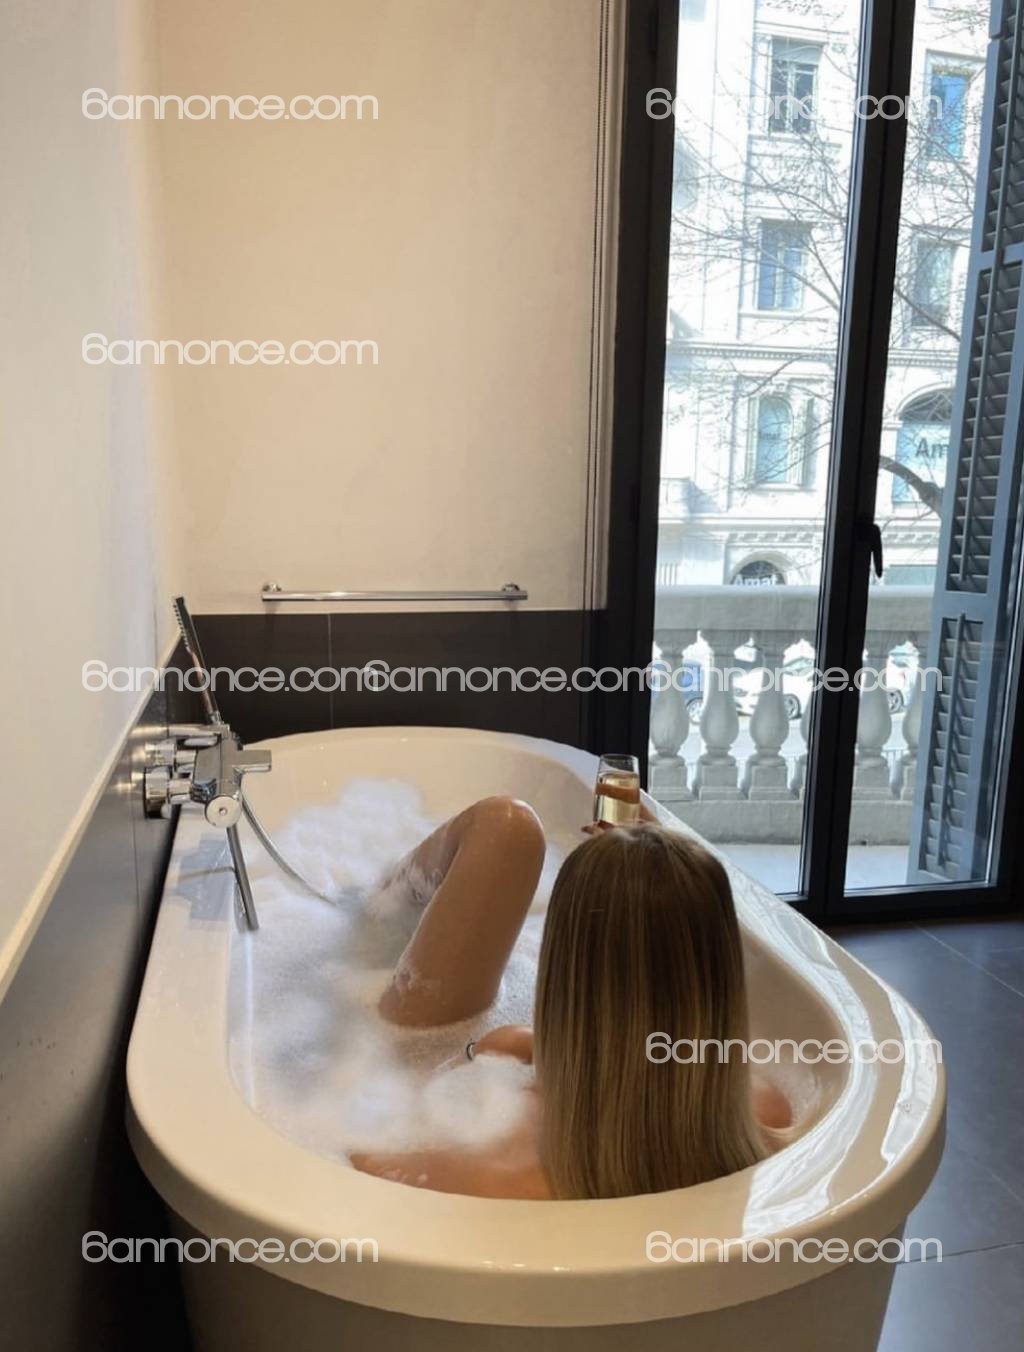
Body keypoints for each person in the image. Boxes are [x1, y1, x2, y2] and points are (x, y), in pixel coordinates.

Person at [351, 797, 791, 1199]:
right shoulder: (765, 1112)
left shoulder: (485, 1169)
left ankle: (376, 902)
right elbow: (655, 1069)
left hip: (496, 1078)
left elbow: (356, 1159)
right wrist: (661, 867)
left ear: (562, 973)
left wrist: (459, 1063)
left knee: (501, 825)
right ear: (721, 981)